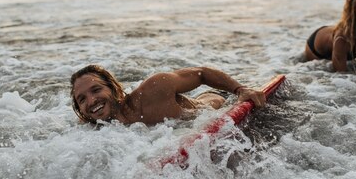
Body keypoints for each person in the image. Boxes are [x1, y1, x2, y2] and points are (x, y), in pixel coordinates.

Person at [70, 65, 266, 125]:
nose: (92, 101)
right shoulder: (90, 126)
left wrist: (240, 90)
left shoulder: (154, 89)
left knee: (209, 100)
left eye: (96, 90)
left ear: (114, 90)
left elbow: (201, 74)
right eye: (82, 99)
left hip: (213, 103)